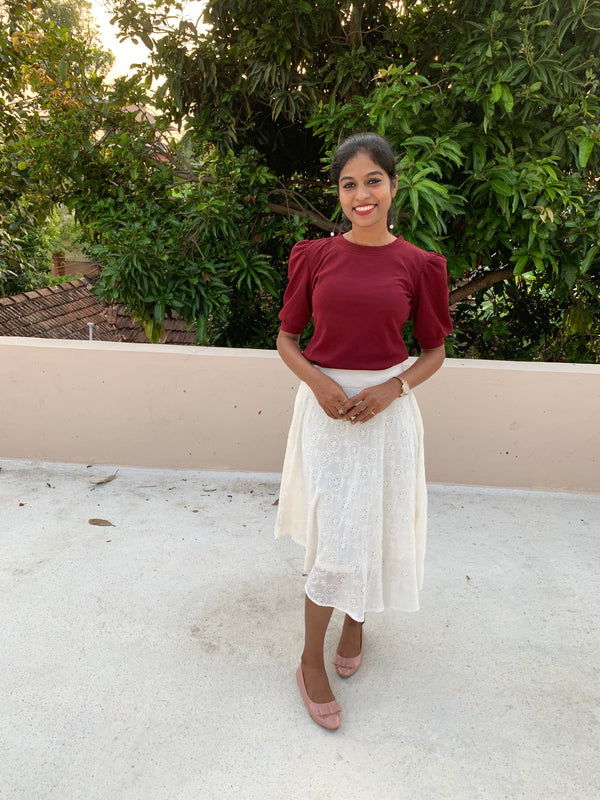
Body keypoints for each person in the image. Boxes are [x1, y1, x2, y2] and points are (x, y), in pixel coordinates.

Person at [274, 132, 452, 730]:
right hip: (326, 416)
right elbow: (287, 340)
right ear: (340, 195)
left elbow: (433, 351)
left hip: (387, 414)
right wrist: (321, 385)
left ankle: (356, 623)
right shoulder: (315, 257)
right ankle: (308, 661)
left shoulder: (418, 265)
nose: (361, 194)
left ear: (393, 185)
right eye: (349, 184)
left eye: (372, 180)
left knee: (376, 522)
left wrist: (389, 389)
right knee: (336, 538)